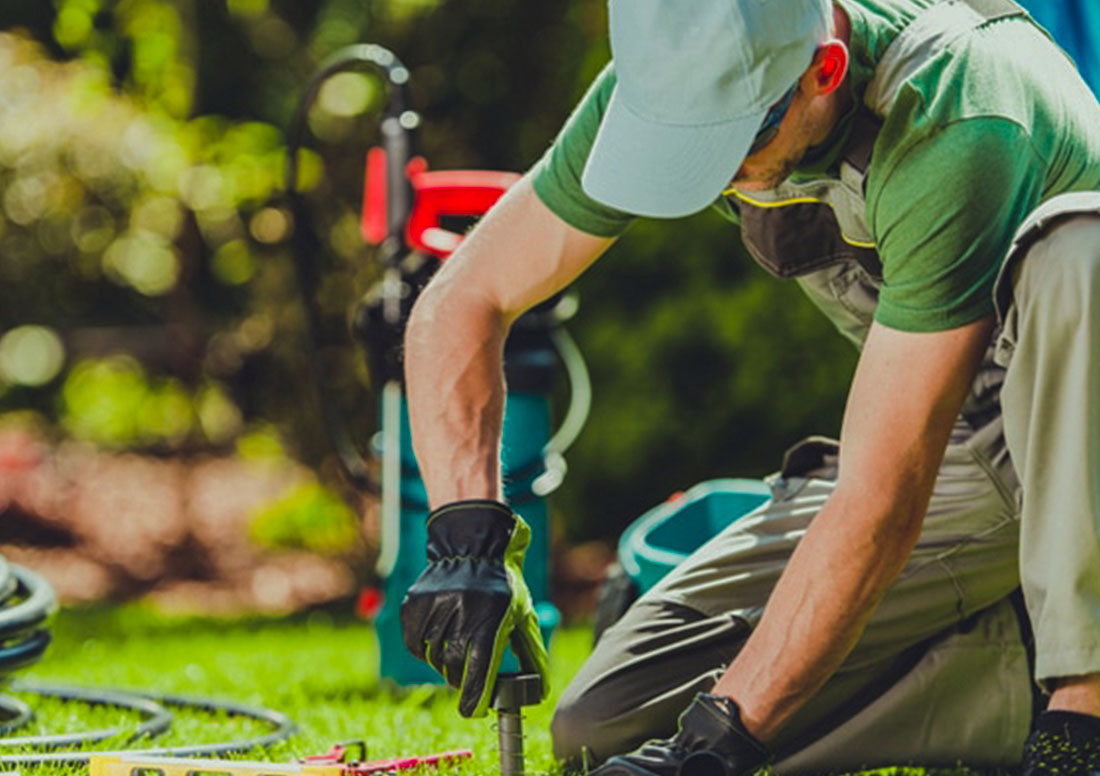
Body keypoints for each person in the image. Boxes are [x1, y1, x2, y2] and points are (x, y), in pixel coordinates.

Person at [396, 0, 1100, 773]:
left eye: (732, 143)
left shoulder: (957, 113)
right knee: (604, 723)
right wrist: (465, 535)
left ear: (822, 72)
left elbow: (881, 495)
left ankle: (1082, 709)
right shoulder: (678, 79)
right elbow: (464, 298)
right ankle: (1014, 670)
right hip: (963, 450)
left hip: (1073, 452)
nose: (708, 175)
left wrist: (722, 741)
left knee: (1081, 252)